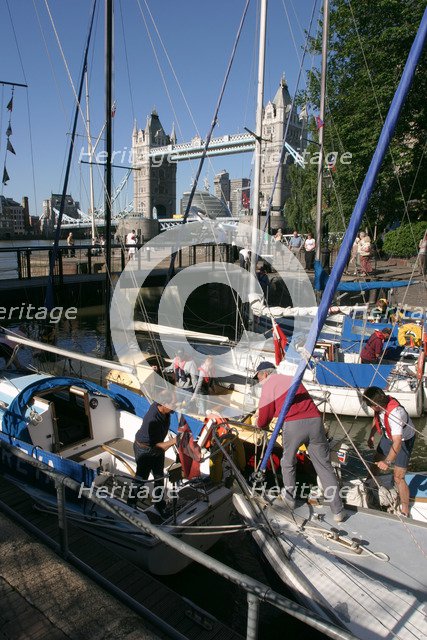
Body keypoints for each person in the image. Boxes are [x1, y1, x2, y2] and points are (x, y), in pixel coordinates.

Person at [255, 362, 345, 522]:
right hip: (315, 421)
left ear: (265, 374)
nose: (258, 380)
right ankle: (338, 511)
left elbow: (265, 413)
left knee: (288, 462)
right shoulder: (292, 379)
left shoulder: (269, 384)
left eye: (258, 376)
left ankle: (289, 500)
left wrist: (260, 425)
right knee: (324, 466)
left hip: (294, 424)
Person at [365, 387, 416, 517]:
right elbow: (377, 418)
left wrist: (387, 461)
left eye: (370, 406)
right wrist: (371, 434)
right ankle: (369, 486)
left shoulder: (395, 414)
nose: (370, 408)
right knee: (376, 461)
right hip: (388, 436)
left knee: (398, 477)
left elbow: (398, 442)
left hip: (404, 440)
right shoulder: (380, 405)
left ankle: (405, 510)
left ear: (376, 405)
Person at [131, 392, 177, 514]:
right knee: (141, 478)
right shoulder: (152, 419)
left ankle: (159, 505)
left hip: (156, 446)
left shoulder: (166, 411)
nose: (175, 406)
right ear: (163, 404)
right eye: (173, 404)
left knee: (159, 478)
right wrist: (173, 441)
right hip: (145, 450)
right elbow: (155, 447)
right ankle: (130, 504)